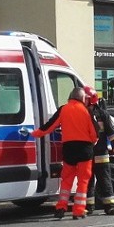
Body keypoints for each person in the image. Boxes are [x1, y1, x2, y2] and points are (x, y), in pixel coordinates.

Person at [31, 87, 97, 219]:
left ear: (70, 96)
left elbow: (49, 126)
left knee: (66, 180)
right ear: (83, 98)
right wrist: (92, 141)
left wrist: (35, 133)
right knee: (83, 182)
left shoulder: (63, 109)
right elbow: (95, 133)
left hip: (69, 149)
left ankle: (61, 207)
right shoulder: (86, 111)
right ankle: (78, 210)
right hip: (85, 150)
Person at [84, 86, 114, 216]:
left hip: (101, 152)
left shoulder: (102, 114)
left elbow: (111, 132)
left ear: (91, 100)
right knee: (88, 180)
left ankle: (109, 206)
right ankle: (89, 206)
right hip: (87, 152)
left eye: (85, 99)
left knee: (105, 180)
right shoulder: (81, 113)